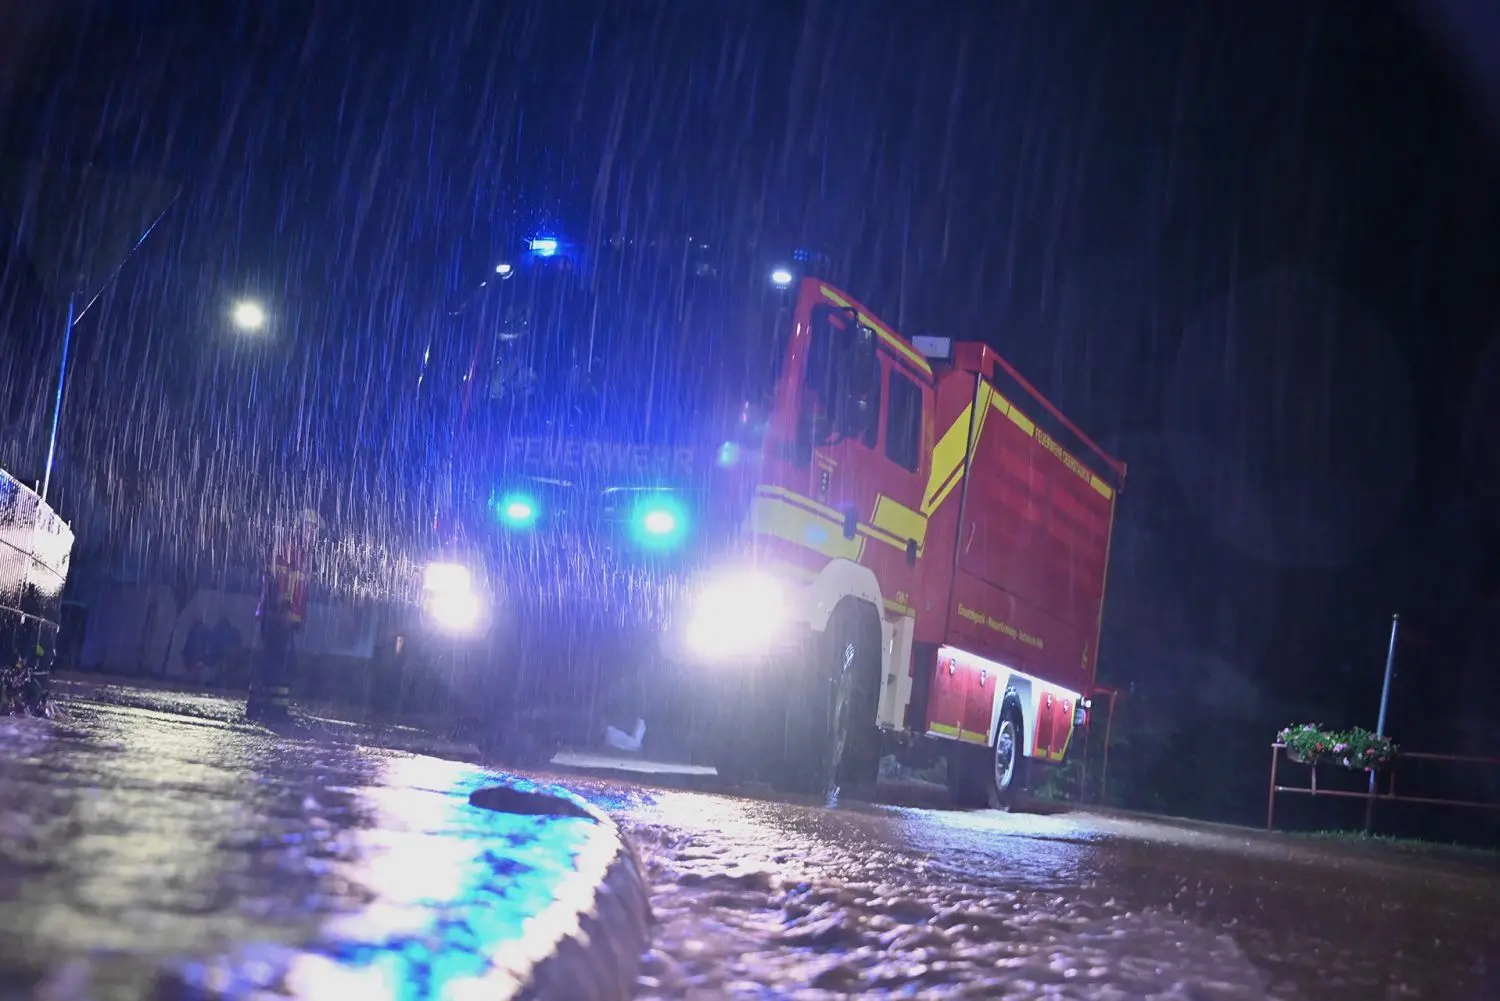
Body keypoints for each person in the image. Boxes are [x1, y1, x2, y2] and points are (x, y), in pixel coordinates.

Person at [246, 509, 322, 722]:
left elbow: (299, 591)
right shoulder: (289, 549)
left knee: (278, 661)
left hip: (283, 617)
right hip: (277, 616)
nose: (312, 533)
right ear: (300, 528)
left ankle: (261, 706)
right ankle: (271, 710)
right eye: (309, 528)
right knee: (280, 662)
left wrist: (296, 617)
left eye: (314, 530)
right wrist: (283, 609)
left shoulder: (302, 554)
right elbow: (277, 581)